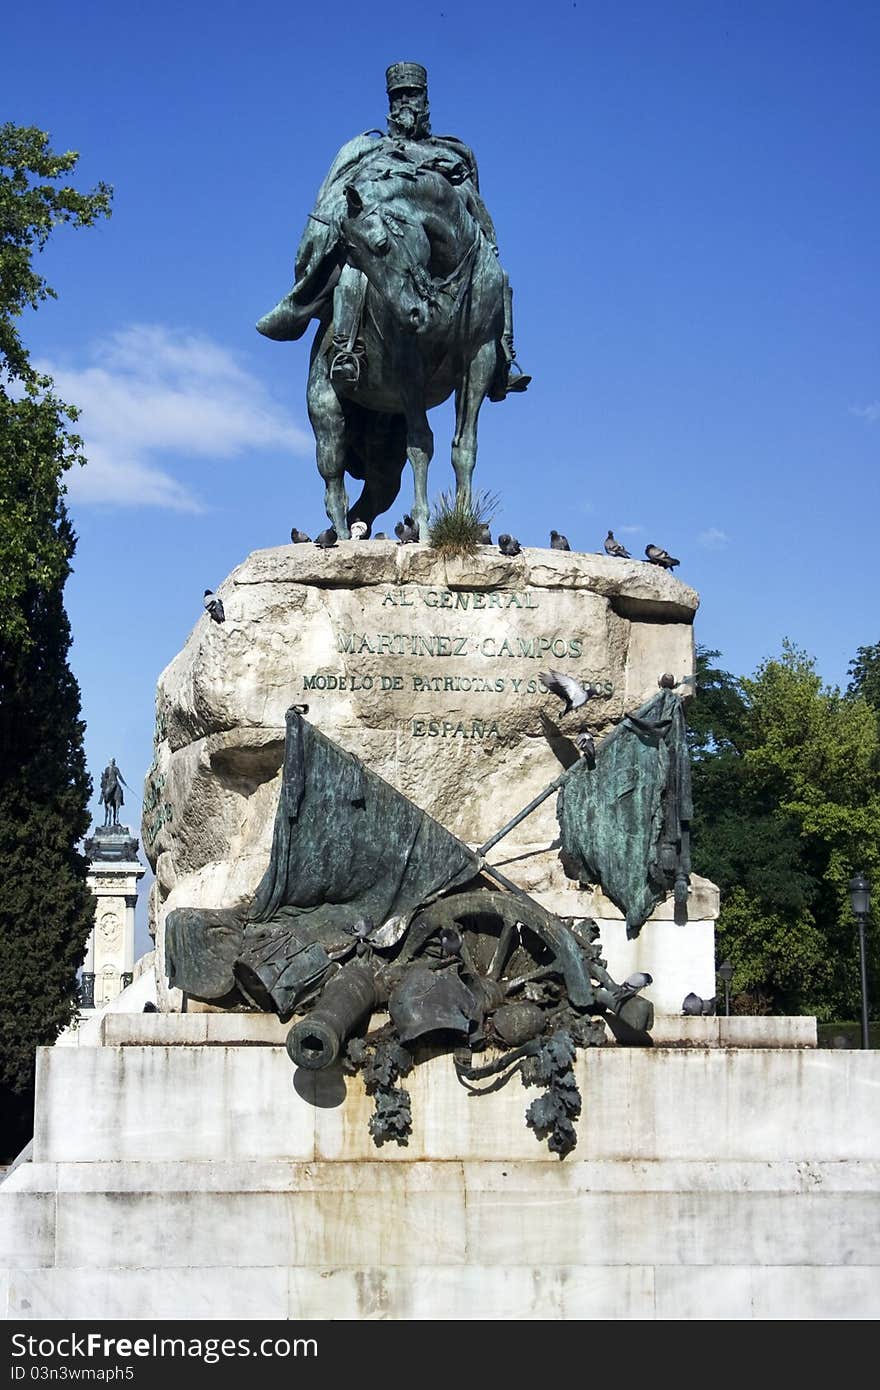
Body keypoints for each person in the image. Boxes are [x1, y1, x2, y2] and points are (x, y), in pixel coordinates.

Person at [257, 62, 529, 398]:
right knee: (352, 276)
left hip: (437, 259)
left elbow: (473, 204)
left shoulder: (452, 152)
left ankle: (502, 359)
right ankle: (347, 351)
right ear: (389, 104)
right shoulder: (368, 150)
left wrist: (486, 235)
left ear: (425, 101)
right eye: (398, 97)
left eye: (412, 96)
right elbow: (340, 198)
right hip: (382, 248)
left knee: (498, 278)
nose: (406, 104)